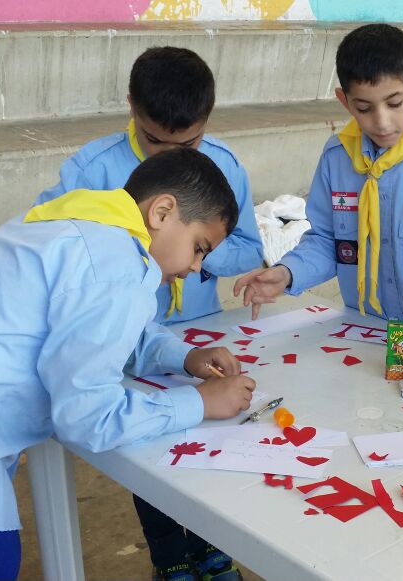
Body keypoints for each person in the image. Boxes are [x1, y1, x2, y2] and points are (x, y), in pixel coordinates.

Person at [0, 148, 257, 581]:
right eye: (199, 248)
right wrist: (199, 403)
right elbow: (88, 418)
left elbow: (88, 326)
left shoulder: (70, 223)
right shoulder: (117, 264)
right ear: (162, 212)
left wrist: (183, 355)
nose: (194, 268)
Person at [36, 46, 261, 580]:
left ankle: (210, 547)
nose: (173, 158)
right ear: (132, 107)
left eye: (190, 144)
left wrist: (196, 249)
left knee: (205, 438)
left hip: (192, 334)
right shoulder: (92, 169)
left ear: (207, 120)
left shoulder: (224, 166)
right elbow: (53, 240)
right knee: (148, 445)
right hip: (115, 344)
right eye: (157, 141)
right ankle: (169, 556)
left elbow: (250, 249)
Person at [233, 23, 403, 364]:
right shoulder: (337, 159)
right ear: (344, 101)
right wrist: (287, 272)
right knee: (380, 399)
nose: (382, 121)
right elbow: (327, 241)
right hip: (371, 337)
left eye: (395, 103)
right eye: (364, 108)